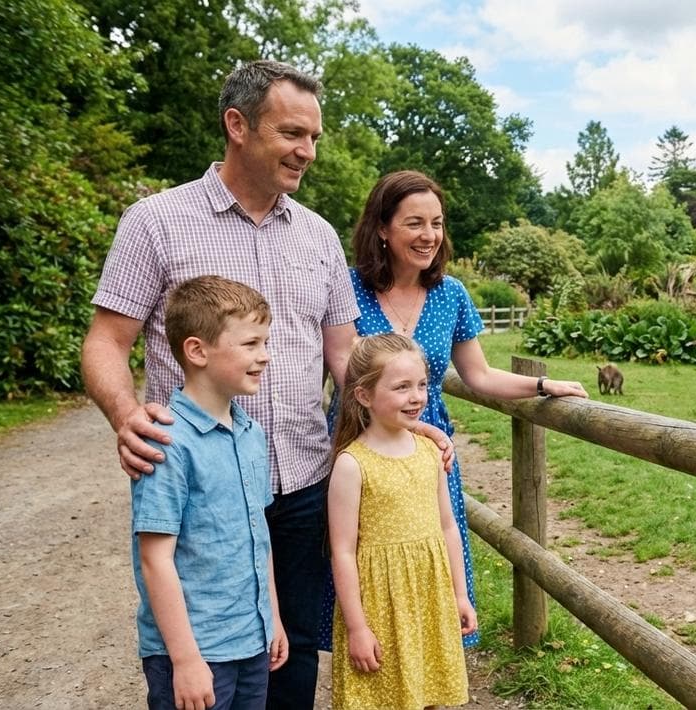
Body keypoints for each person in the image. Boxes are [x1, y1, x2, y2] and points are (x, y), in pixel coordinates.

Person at [82, 60, 447, 709]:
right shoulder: (156, 222)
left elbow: (346, 357)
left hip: (306, 478)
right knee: (200, 659)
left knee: (294, 651)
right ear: (237, 126)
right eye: (292, 133)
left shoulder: (319, 236)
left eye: (314, 136)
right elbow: (106, 342)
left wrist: (399, 418)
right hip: (207, 491)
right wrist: (124, 413)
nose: (307, 151)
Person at [328, 170, 588, 648]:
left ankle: (432, 674)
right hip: (366, 450)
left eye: (437, 223)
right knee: (367, 557)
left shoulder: (451, 294)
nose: (429, 236)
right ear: (382, 229)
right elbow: (346, 371)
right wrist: (415, 430)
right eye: (414, 223)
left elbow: (480, 375)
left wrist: (543, 383)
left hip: (430, 451)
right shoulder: (346, 287)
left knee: (434, 553)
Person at [132, 276, 288, 710]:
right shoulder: (166, 441)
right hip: (195, 653)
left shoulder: (252, 433)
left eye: (265, 342)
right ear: (197, 351)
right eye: (251, 344)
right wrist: (185, 660)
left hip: (252, 641)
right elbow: (155, 558)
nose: (265, 356)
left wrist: (272, 617)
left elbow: (260, 536)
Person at [327, 334, 475, 709]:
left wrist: (460, 594)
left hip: (429, 597)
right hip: (381, 606)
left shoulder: (430, 451)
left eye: (422, 385)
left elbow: (447, 526)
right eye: (402, 387)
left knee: (427, 691)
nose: (417, 396)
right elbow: (342, 551)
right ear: (364, 395)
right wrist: (357, 628)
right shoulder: (352, 464)